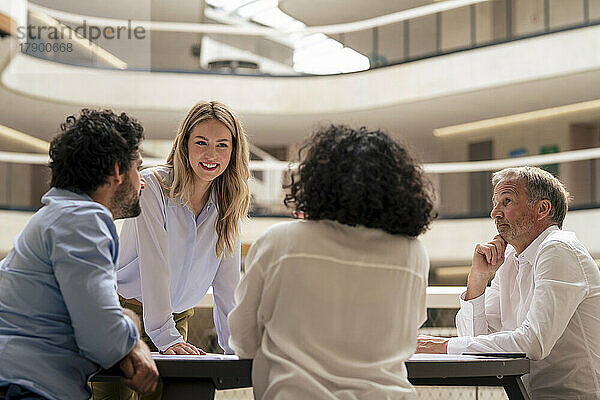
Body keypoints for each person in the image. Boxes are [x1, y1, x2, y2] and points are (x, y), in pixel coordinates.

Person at [228, 125, 436, 400]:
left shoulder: (280, 242)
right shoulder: (413, 254)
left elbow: (244, 339)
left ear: (318, 179)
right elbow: (409, 335)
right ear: (399, 186)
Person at [0, 109, 159, 400]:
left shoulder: (56, 216)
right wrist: (132, 327)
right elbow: (105, 340)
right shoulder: (83, 220)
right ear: (116, 171)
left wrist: (117, 320)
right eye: (138, 168)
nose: (143, 182)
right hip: (28, 390)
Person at [417, 166, 600, 399]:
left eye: (507, 201)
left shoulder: (558, 248)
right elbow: (475, 339)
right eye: (495, 203)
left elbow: (533, 343)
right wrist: (478, 280)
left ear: (542, 208)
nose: (495, 213)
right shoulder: (512, 257)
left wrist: (442, 346)